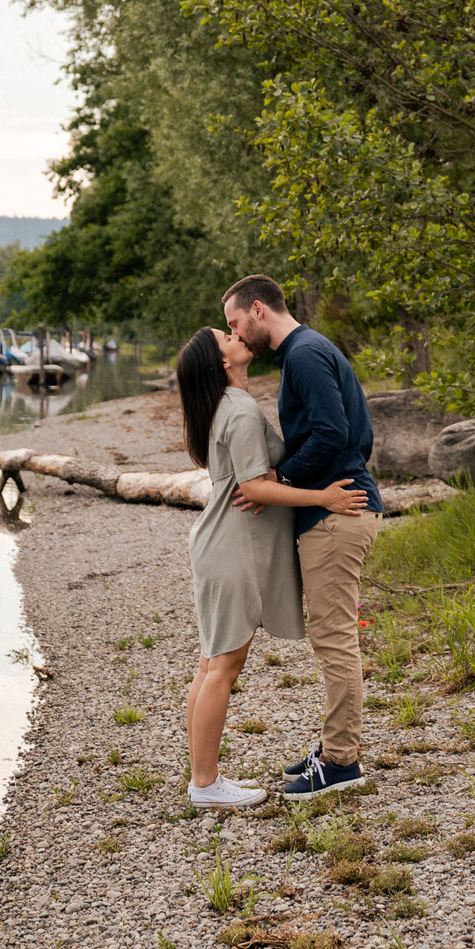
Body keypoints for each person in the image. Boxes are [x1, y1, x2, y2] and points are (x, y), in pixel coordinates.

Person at [175, 324, 370, 809]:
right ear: (221, 362)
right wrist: (322, 496)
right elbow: (256, 488)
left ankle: (203, 777)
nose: (237, 336)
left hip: (226, 544)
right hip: (232, 546)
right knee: (223, 664)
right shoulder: (236, 408)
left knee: (213, 661)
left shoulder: (227, 405)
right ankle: (205, 783)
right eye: (227, 336)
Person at [222, 274, 384, 797]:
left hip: (339, 514)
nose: (237, 336)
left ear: (257, 310)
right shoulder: (307, 352)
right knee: (331, 635)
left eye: (235, 324)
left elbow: (334, 434)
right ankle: (336, 746)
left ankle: (341, 764)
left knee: (334, 638)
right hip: (336, 507)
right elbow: (352, 435)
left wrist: (282, 480)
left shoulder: (305, 355)